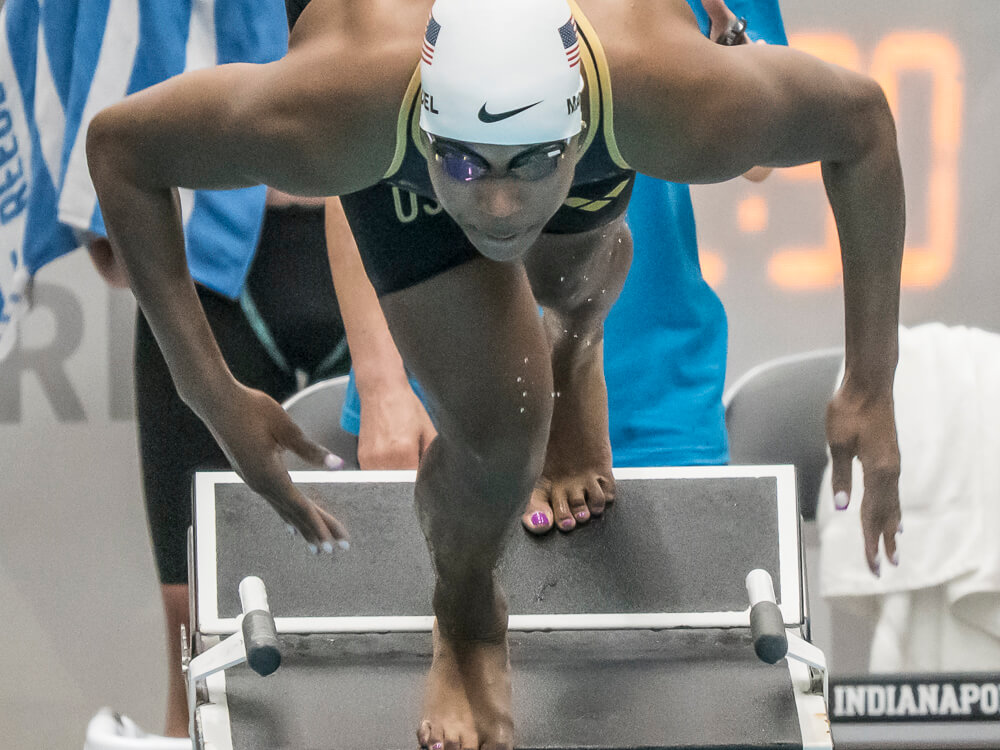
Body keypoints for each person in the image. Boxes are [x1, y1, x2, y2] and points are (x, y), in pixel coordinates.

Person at [86, 0, 905, 747]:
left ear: (581, 124)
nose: (499, 211)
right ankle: (468, 609)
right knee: (500, 435)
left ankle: (576, 344)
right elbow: (122, 150)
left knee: (569, 282)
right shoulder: (340, 106)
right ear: (433, 128)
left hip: (575, 107)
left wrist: (870, 382)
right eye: (472, 170)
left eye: (529, 169)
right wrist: (209, 392)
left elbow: (862, 125)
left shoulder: (665, 90)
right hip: (398, 125)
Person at [331, 0, 788, 537]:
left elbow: (762, 152)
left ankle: (575, 359)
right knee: (458, 603)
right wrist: (383, 384)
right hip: (445, 386)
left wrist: (720, 38)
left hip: (651, 392)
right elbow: (360, 161)